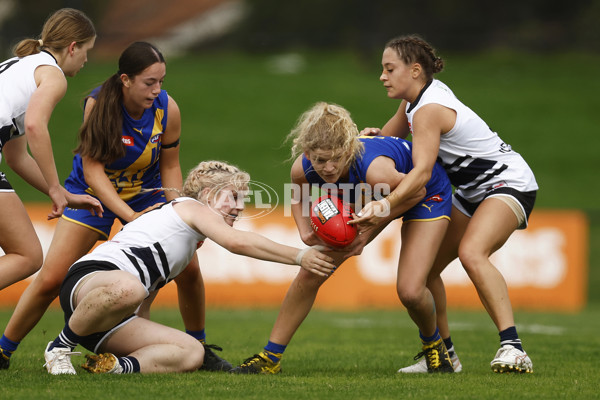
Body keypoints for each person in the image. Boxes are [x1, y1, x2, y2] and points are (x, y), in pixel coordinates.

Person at [0, 41, 224, 372]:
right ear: (126, 80)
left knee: (189, 270)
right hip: (92, 194)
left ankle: (201, 348)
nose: (156, 90)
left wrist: (180, 212)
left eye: (161, 81)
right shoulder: (99, 104)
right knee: (51, 279)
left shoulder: (166, 108)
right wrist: (130, 217)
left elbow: (170, 166)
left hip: (147, 194)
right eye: (149, 82)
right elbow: (92, 169)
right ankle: (4, 351)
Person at [41, 160, 336, 375]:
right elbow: (236, 242)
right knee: (130, 287)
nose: (239, 206)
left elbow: (148, 289)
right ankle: (59, 347)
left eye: (242, 199)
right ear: (207, 195)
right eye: (233, 197)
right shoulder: (192, 208)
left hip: (110, 312)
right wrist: (300, 257)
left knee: (192, 352)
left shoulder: (189, 235)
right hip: (89, 281)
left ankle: (116, 368)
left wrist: (141, 326)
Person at [230, 102, 457, 374]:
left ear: (349, 149)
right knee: (310, 270)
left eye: (336, 158)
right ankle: (270, 358)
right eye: (320, 160)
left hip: (424, 191)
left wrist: (368, 231)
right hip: (373, 195)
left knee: (409, 290)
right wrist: (304, 231)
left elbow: (415, 192)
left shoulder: (375, 170)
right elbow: (299, 191)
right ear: (307, 153)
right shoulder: (304, 167)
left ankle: (436, 349)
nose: (328, 168)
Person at [356, 35, 538, 374]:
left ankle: (513, 348)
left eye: (389, 69)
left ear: (414, 70)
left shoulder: (428, 109)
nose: (382, 76)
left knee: (472, 252)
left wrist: (386, 205)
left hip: (508, 183)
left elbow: (422, 171)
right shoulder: (414, 101)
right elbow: (388, 140)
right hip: (472, 192)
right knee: (423, 274)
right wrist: (368, 138)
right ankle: (444, 356)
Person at [0, 9, 101, 318]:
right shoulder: (52, 74)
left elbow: (17, 157)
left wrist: (62, 194)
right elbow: (35, 126)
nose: (85, 60)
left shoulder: (20, 67)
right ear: (72, 47)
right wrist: (57, 189)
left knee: (26, 254)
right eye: (86, 51)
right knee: (27, 255)